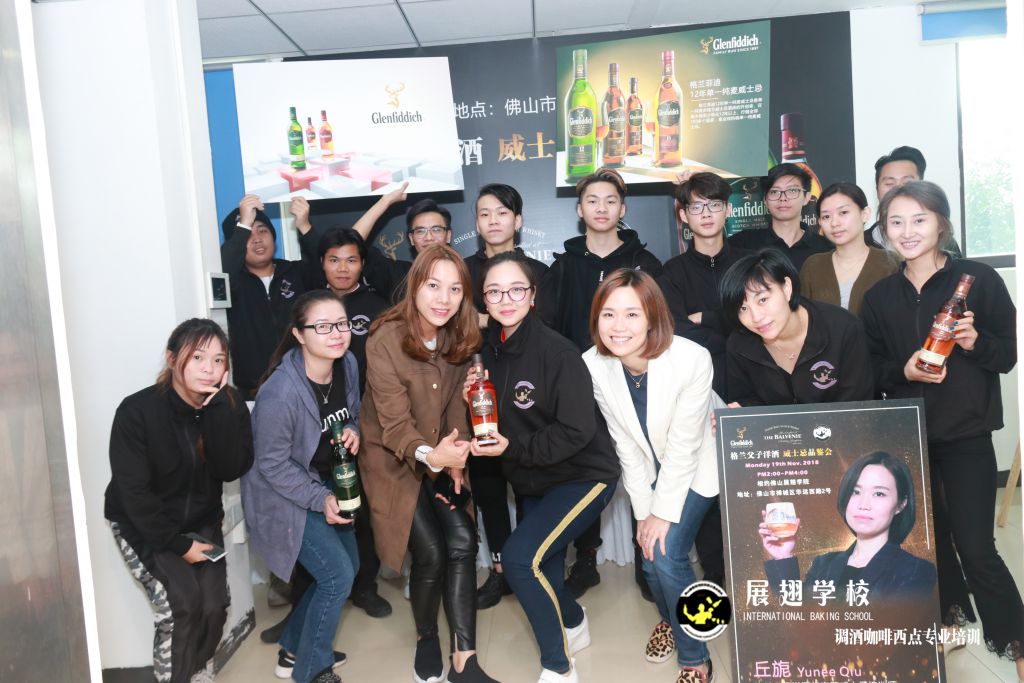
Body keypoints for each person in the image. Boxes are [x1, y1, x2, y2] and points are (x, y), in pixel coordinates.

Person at [860, 181, 1023, 676]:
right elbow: (871, 368)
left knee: (976, 546)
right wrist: (904, 371)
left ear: (941, 224)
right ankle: (951, 619)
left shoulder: (977, 281)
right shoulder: (879, 296)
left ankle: (1016, 640)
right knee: (931, 540)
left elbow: (1008, 355)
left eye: (919, 219)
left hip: (967, 433)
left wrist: (975, 342)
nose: (907, 231)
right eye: (896, 222)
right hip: (908, 436)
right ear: (883, 230)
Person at [468, 251, 620, 683]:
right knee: (544, 572)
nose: (506, 299)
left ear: (533, 295)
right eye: (494, 292)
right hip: (533, 479)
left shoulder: (559, 352)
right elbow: (494, 422)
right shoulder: (485, 354)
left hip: (584, 476)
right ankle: (573, 622)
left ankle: (558, 668)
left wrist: (512, 447)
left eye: (516, 289)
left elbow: (576, 431)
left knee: (519, 561)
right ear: (483, 300)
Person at [358, 245, 498, 683]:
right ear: (415, 285)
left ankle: (465, 661)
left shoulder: (460, 336)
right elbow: (395, 425)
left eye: (455, 289)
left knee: (463, 540)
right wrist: (432, 455)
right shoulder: (384, 339)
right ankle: (426, 637)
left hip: (443, 453)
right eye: (434, 285)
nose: (444, 298)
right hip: (393, 458)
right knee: (432, 552)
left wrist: (455, 457)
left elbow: (456, 405)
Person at [584, 269, 719, 683]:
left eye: (632, 314)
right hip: (647, 462)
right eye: (608, 314)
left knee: (666, 552)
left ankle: (695, 657)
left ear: (652, 317)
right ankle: (670, 620)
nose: (618, 326)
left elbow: (684, 446)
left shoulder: (691, 358)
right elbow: (624, 443)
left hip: (697, 461)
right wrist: (645, 511)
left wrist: (661, 514)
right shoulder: (593, 364)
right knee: (647, 551)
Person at [536, 166, 662, 597]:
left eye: (611, 201)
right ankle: (586, 558)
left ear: (623, 209)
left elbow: (662, 325)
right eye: (592, 201)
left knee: (644, 465)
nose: (602, 208)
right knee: (584, 471)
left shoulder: (645, 264)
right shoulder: (563, 267)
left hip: (640, 382)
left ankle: (648, 558)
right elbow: (548, 330)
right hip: (581, 388)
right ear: (580, 210)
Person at [105, 319, 253, 683]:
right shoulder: (137, 412)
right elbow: (134, 494)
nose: (208, 369)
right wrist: (177, 544)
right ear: (172, 359)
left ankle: (196, 672)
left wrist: (217, 413)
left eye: (218, 360)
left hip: (201, 520)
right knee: (181, 606)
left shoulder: (229, 405)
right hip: (143, 523)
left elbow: (230, 469)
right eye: (197, 357)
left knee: (214, 607)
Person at [242, 290, 362, 683]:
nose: (336, 333)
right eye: (322, 326)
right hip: (283, 493)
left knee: (349, 567)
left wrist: (354, 430)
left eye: (341, 324)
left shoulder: (347, 364)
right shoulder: (280, 393)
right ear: (299, 334)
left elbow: (354, 413)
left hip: (327, 480)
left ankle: (295, 649)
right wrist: (320, 497)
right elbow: (272, 465)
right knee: (336, 576)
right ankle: (312, 670)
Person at [657, 172, 749, 591]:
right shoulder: (672, 272)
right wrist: (729, 326)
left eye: (714, 205)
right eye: (697, 206)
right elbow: (676, 332)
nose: (706, 214)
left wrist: (707, 318)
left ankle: (752, 573)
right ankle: (715, 576)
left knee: (750, 482)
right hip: (696, 391)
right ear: (684, 215)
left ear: (728, 210)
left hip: (750, 385)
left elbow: (758, 324)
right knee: (707, 483)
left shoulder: (748, 263)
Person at [461, 183, 548, 609]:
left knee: (532, 483)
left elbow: (545, 330)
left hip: (529, 393)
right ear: (476, 223)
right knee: (488, 486)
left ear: (518, 219)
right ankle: (499, 571)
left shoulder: (539, 272)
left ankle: (532, 565)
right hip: (478, 392)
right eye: (484, 213)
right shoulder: (462, 272)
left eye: (501, 212)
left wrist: (488, 318)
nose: (493, 220)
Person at [316, 227, 391, 617]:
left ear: (363, 264)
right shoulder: (311, 307)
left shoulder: (378, 306)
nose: (342, 268)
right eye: (334, 260)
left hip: (368, 423)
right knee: (320, 506)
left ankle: (365, 586)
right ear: (322, 264)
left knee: (363, 508)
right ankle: (321, 591)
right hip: (318, 422)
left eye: (351, 260)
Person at [760, 451, 936, 600]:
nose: (863, 504)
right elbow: (797, 616)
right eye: (855, 491)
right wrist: (783, 556)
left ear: (901, 504)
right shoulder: (824, 564)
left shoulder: (916, 570)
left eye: (879, 494)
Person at [720, 248, 874, 406]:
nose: (756, 317)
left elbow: (858, 407)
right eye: (743, 308)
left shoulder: (844, 329)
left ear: (787, 288)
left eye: (763, 300)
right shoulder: (739, 345)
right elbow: (745, 402)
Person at [220, 194, 321, 399]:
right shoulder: (233, 282)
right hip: (254, 391)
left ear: (273, 237)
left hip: (306, 382)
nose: (257, 238)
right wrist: (243, 224)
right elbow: (219, 274)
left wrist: (304, 226)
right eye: (248, 234)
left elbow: (326, 265)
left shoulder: (297, 272)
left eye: (263, 230)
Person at [799, 182, 897, 317]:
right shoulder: (813, 266)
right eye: (826, 216)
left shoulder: (890, 263)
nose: (834, 223)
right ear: (820, 222)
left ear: (865, 214)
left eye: (843, 213)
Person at [351, 181, 452, 302]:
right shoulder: (397, 275)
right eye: (420, 231)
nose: (429, 237)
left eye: (436, 230)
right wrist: (385, 201)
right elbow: (350, 245)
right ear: (411, 239)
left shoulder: (465, 271)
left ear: (448, 236)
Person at [727, 164, 830, 271]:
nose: (783, 198)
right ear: (765, 200)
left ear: (806, 198)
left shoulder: (826, 248)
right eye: (774, 192)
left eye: (792, 191)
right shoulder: (742, 244)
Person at [864, 146, 963, 257]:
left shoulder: (943, 241)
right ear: (877, 190)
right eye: (889, 184)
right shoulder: (862, 243)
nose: (899, 189)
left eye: (908, 183)